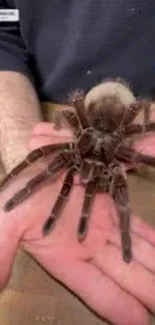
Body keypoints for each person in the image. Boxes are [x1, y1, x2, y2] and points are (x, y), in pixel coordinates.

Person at [0, 1, 155, 325]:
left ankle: (125, 240)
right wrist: (17, 177)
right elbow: (3, 24)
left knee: (123, 192)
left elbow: (138, 143)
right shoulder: (76, 133)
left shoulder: (126, 135)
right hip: (52, 100)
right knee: (46, 164)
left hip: (129, 111)